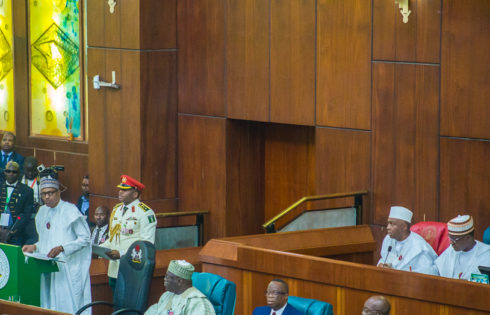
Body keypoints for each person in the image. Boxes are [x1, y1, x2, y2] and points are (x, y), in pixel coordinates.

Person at [22, 177, 92, 314]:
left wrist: (62, 248)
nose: (47, 197)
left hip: (65, 267)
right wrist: (34, 247)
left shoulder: (70, 211)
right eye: (44, 194)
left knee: (65, 303)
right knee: (47, 301)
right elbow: (46, 240)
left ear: (59, 192)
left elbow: (85, 239)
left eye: (51, 193)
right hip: (47, 264)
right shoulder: (42, 212)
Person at [99, 175, 157, 291]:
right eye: (120, 189)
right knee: (116, 304)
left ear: (135, 194)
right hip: (114, 269)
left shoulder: (145, 213)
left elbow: (146, 246)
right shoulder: (116, 210)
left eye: (124, 190)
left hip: (132, 269)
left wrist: (121, 253)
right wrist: (98, 249)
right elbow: (113, 238)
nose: (120, 192)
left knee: (129, 305)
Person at [377, 206, 438, 275]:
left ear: (404, 227)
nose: (388, 227)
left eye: (392, 224)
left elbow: (427, 274)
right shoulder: (388, 239)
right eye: (388, 223)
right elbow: (384, 258)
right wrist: (381, 265)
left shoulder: (419, 247)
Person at [145, 260, 216, 315]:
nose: (164, 279)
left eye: (168, 277)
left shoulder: (198, 303)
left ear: (179, 281)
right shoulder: (166, 296)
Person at [435, 215, 490, 281]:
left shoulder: (486, 254)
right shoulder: (450, 251)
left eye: (455, 239)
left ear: (468, 238)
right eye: (450, 238)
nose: (451, 242)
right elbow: (436, 272)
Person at [0, 161, 34, 245]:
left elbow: (26, 215)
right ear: (4, 172)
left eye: (14, 172)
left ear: (19, 173)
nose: (11, 174)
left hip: (16, 233)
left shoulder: (27, 191)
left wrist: (13, 231)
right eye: (8, 171)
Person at [21, 156, 42, 244]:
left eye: (32, 170)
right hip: (23, 213)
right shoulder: (20, 179)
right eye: (27, 170)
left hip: (37, 213)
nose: (29, 173)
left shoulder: (41, 180)